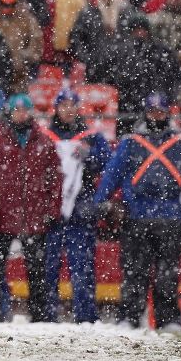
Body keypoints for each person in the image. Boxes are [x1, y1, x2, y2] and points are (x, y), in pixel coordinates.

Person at [95, 92, 181, 329]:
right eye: (153, 111)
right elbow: (112, 174)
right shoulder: (131, 142)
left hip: (172, 215)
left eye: (161, 112)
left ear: (168, 113)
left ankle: (168, 320)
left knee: (167, 275)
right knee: (134, 272)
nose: (157, 116)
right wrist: (101, 202)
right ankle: (130, 318)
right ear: (146, 113)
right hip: (136, 215)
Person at [0, 94, 60, 323]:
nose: (21, 114)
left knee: (37, 273)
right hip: (2, 216)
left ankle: (40, 317)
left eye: (25, 110)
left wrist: (51, 211)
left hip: (34, 217)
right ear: (10, 112)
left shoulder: (43, 142)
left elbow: (54, 179)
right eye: (17, 110)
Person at [41, 90, 112, 324]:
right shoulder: (44, 136)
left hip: (80, 209)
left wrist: (89, 156)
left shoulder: (91, 136)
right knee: (48, 268)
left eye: (72, 105)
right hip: (51, 210)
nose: (68, 110)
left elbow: (107, 162)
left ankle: (86, 317)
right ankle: (47, 316)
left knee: (82, 267)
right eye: (64, 105)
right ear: (56, 108)